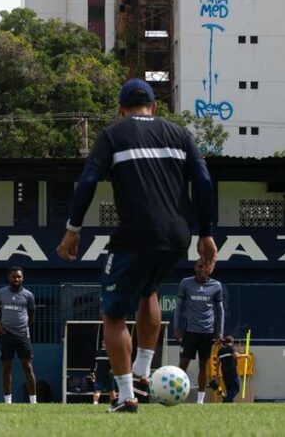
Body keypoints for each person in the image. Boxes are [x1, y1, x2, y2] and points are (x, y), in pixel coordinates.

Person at [56, 78, 217, 414]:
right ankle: (143, 371)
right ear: (153, 107)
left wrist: (73, 228)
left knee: (113, 314)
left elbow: (88, 180)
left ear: (121, 109)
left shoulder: (113, 135)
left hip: (135, 235)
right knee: (149, 290)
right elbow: (203, 180)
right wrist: (206, 232)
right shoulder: (180, 135)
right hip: (178, 236)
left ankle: (126, 394)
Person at [173, 260, 224, 404]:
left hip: (207, 332)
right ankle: (176, 395)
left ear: (209, 270)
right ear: (195, 268)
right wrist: (176, 328)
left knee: (203, 365)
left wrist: (219, 332)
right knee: (183, 363)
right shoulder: (186, 283)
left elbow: (220, 311)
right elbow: (178, 307)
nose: (203, 269)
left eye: (206, 267)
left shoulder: (216, 285)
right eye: (200, 266)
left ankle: (200, 401)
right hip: (190, 331)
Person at [0, 267, 37, 404]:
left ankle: (33, 402)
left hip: (22, 335)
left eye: (19, 277)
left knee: (27, 366)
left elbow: (32, 312)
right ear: (9, 278)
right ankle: (8, 402)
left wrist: (26, 326)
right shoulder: (1, 292)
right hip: (6, 334)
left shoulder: (28, 295)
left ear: (23, 278)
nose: (16, 279)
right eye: (14, 277)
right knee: (6, 367)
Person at [217, 336, 246, 403]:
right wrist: (246, 355)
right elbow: (237, 356)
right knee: (236, 389)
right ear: (232, 342)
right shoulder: (231, 348)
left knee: (229, 390)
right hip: (232, 372)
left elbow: (218, 362)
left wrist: (217, 372)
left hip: (224, 373)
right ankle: (225, 400)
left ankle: (229, 403)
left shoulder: (220, 350)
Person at [92, 340, 116, 405]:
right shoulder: (112, 352)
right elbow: (114, 364)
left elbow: (93, 365)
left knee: (97, 390)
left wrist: (93, 374)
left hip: (99, 374)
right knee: (112, 391)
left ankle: (95, 403)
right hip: (109, 374)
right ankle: (114, 404)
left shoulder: (97, 352)